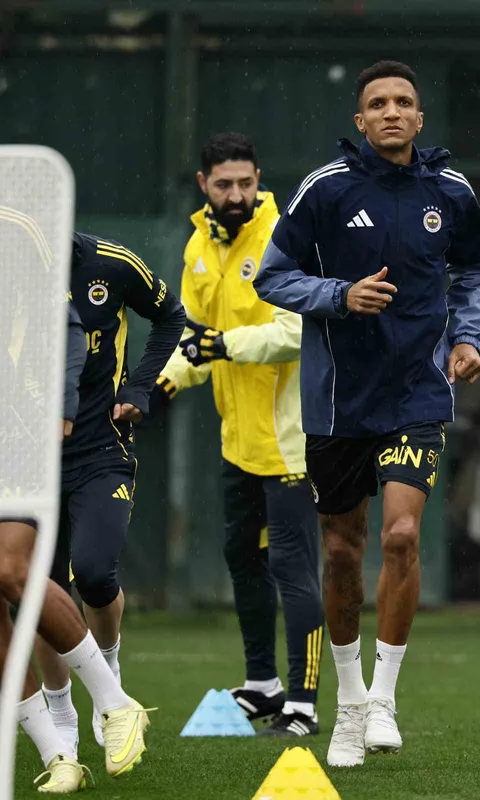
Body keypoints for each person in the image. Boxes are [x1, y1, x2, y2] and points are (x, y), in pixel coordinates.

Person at [254, 60, 480, 767]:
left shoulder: (450, 191)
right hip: (337, 401)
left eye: (404, 102)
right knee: (341, 550)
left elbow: (474, 270)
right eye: (378, 104)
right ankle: (350, 704)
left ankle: (384, 699)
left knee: (400, 536)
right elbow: (273, 276)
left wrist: (468, 337)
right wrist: (339, 295)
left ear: (419, 117)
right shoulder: (325, 189)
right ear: (360, 120)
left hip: (417, 393)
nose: (392, 112)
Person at [150, 132, 324, 736]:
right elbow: (193, 334)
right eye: (223, 184)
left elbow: (297, 331)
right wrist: (162, 385)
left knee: (293, 568)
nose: (236, 194)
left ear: (258, 179)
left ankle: (303, 702)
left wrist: (224, 344)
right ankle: (263, 685)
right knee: (242, 559)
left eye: (245, 183)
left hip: (290, 442)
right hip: (238, 442)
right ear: (204, 184)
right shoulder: (199, 245)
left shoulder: (284, 234)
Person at [1, 207, 151, 793]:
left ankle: (112, 700)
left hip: (59, 449)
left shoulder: (66, 267)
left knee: (37, 572)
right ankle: (58, 750)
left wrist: (66, 403)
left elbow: (64, 325)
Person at [34, 232, 185, 754]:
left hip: (101, 447)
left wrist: (139, 385)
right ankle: (61, 714)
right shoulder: (14, 270)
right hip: (29, 458)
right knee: (39, 589)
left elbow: (171, 315)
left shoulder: (112, 264)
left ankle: (109, 680)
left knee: (95, 574)